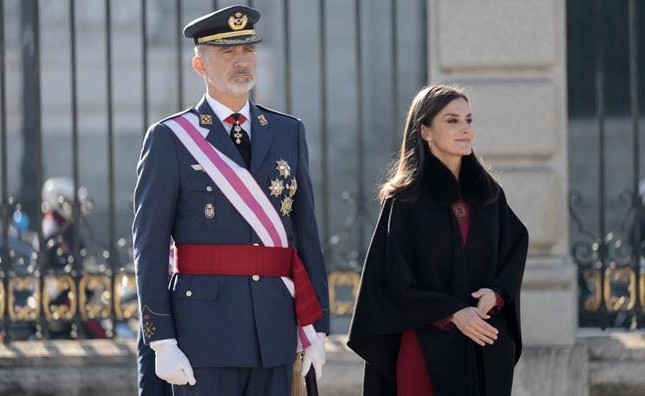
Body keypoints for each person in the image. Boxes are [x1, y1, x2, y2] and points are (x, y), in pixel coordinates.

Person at [132, 5, 329, 395]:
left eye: (248, 50)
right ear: (200, 65)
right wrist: (161, 339)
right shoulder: (171, 138)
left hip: (273, 330)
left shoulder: (288, 131)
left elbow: (306, 236)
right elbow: (149, 248)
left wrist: (317, 327)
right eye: (227, 52)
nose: (241, 61)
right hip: (202, 335)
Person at [347, 84, 529, 396]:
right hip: (424, 347)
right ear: (425, 131)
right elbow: (392, 281)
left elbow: (515, 247)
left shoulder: (488, 195)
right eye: (452, 120)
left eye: (468, 120)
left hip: (480, 345)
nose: (465, 130)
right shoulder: (405, 201)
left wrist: (497, 293)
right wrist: (454, 312)